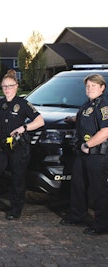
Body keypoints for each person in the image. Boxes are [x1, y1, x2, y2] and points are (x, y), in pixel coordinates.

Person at [0, 69, 44, 220]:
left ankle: (15, 211)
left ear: (16, 86)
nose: (7, 89)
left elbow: (40, 121)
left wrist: (24, 128)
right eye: (4, 86)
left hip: (18, 147)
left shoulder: (23, 104)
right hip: (1, 146)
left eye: (10, 86)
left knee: (17, 178)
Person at [59, 74, 108, 235]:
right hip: (82, 152)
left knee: (98, 189)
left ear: (102, 88)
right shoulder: (88, 104)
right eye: (87, 86)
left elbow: (106, 130)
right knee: (78, 184)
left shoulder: (104, 106)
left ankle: (102, 224)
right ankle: (77, 215)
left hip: (95, 153)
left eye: (93, 86)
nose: (89, 89)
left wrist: (88, 144)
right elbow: (87, 118)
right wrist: (73, 119)